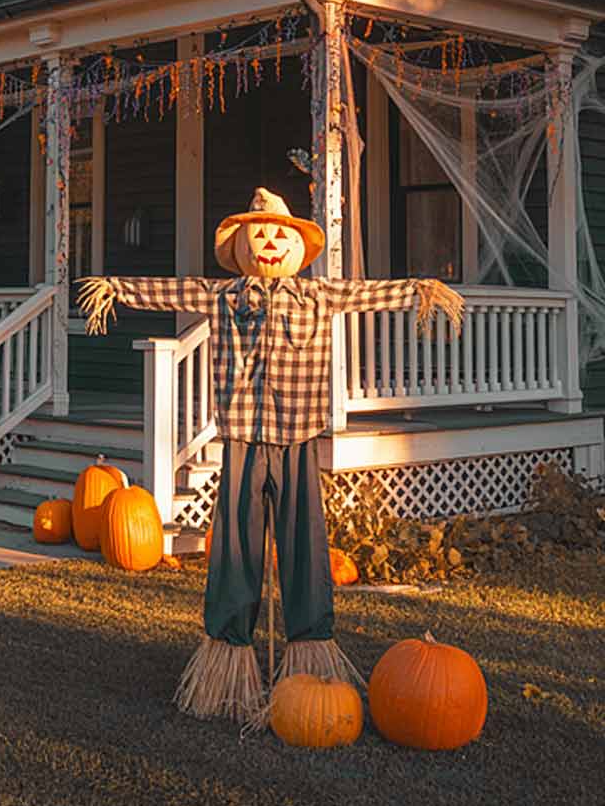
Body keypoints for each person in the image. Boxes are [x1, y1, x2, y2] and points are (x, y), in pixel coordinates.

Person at [76, 186, 464, 722]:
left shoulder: (318, 295)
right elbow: (171, 290)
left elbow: (365, 293)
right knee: (235, 549)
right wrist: (116, 288)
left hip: (299, 435)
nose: (270, 241)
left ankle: (310, 650)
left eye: (280, 233)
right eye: (258, 233)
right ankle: (229, 657)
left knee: (305, 545)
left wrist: (417, 289)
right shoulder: (224, 296)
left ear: (298, 247)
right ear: (240, 244)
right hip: (243, 436)